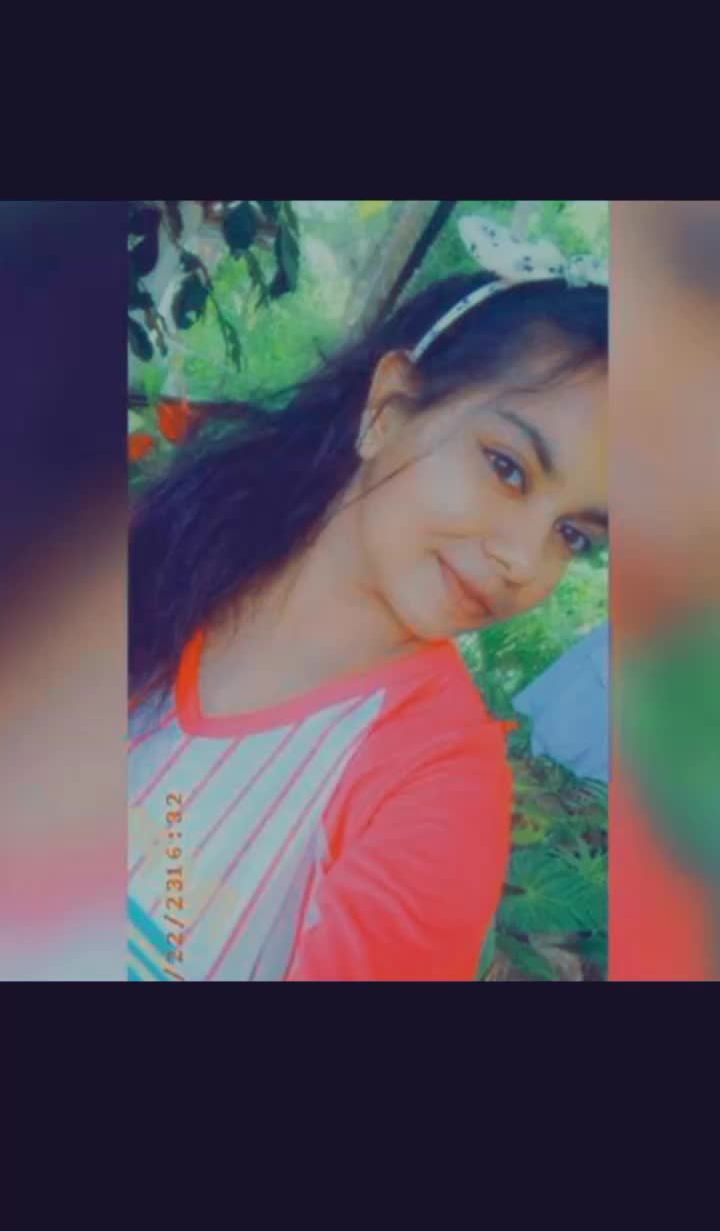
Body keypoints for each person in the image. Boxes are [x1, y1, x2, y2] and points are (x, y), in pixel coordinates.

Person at [128, 269, 608, 982]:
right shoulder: (174, 551)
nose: (523, 559)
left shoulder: (439, 788)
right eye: (507, 468)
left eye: (572, 536)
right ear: (388, 408)